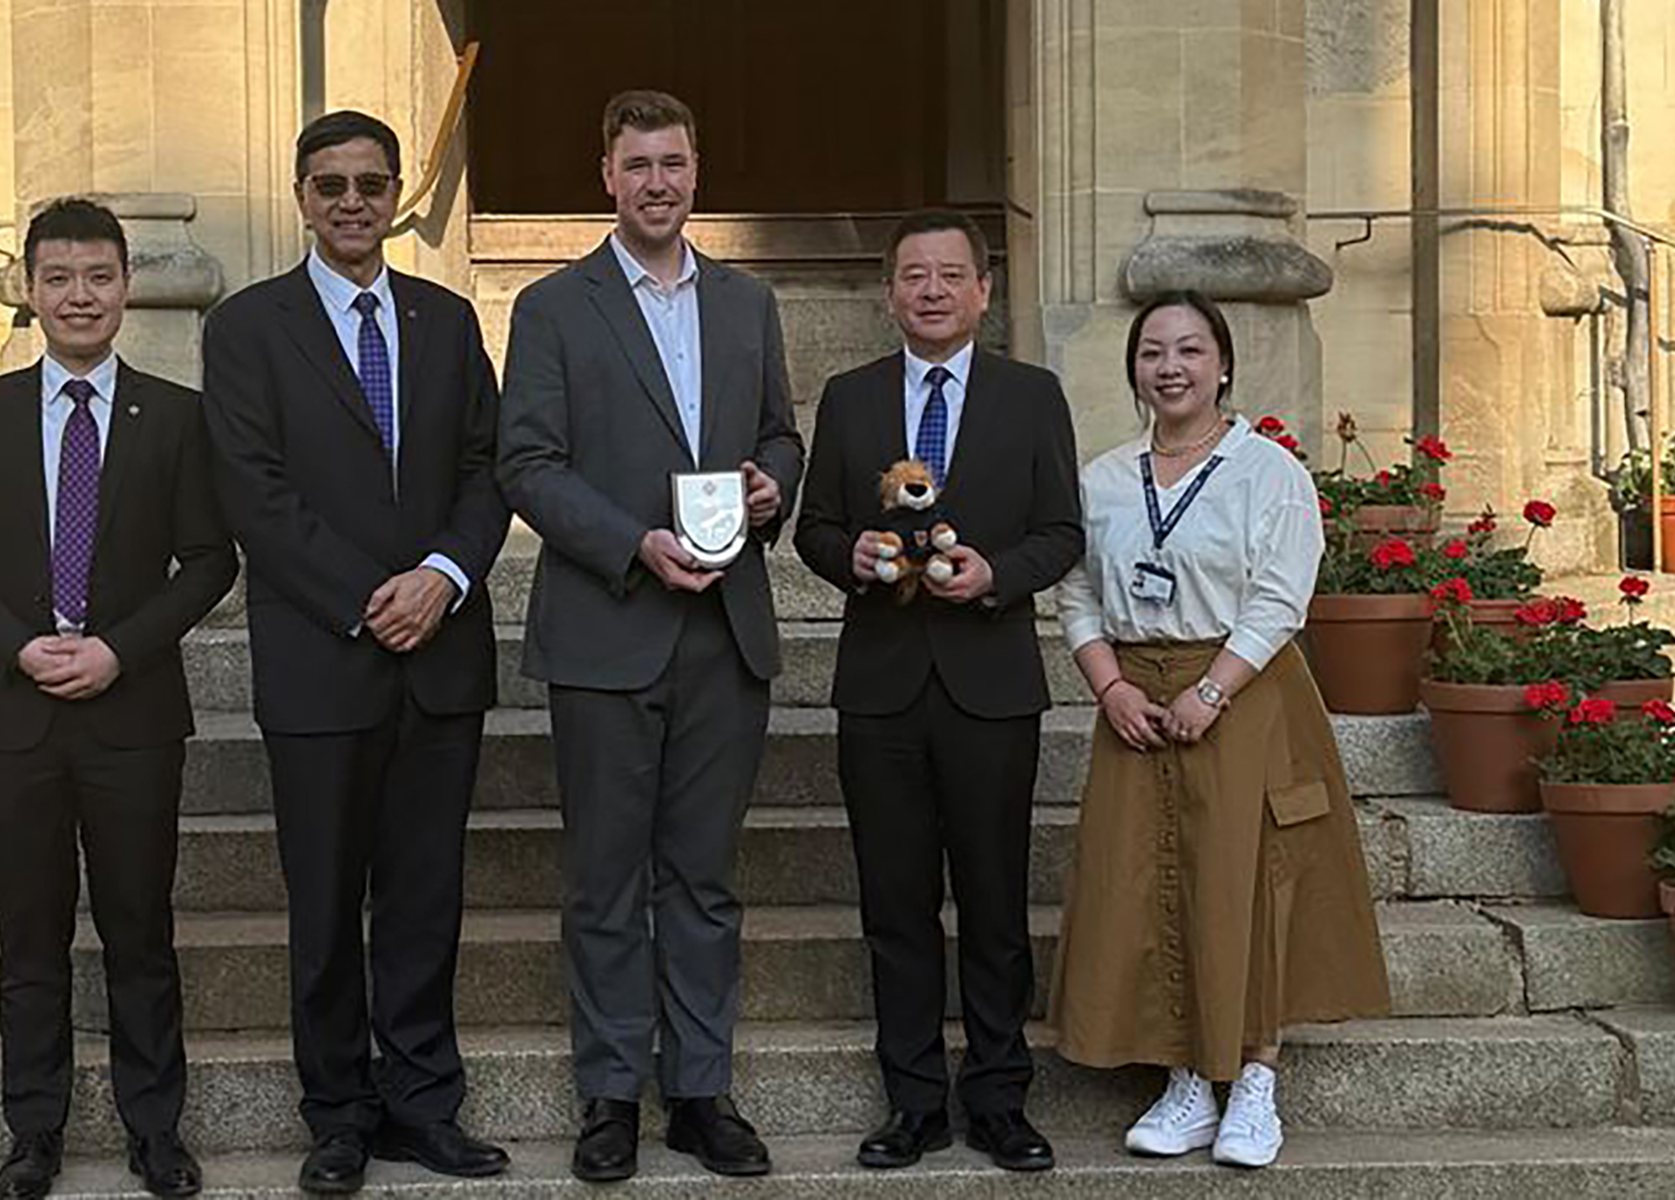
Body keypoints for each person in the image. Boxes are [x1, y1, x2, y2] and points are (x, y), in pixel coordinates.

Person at [199, 110, 512, 1196]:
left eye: (369, 184)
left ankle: (423, 1106)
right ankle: (336, 1113)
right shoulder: (246, 328)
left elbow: (487, 469)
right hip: (321, 661)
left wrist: (443, 578)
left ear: (394, 196)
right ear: (299, 196)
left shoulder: (445, 317)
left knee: (425, 896)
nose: (350, 202)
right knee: (326, 905)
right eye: (328, 184)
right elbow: (254, 492)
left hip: (440, 654)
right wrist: (366, 598)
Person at [496, 88, 804, 1183]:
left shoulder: (745, 301)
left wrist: (775, 483)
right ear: (607, 178)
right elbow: (525, 463)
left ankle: (700, 1092)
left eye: (673, 163)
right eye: (638, 166)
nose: (658, 183)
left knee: (706, 877)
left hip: (724, 629)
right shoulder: (551, 308)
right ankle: (610, 1094)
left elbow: (777, 428)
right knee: (604, 878)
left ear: (695, 172)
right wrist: (633, 542)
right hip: (608, 625)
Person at [0, 197, 237, 1200]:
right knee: (29, 933)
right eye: (58, 277)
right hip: (16, 719)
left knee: (139, 928)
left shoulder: (177, 415)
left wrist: (117, 652)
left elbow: (206, 561)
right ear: (28, 290)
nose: (79, 295)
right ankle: (34, 1131)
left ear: (126, 287)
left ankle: (154, 1129)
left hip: (131, 716)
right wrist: (20, 649)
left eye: (98, 276)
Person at [1048, 290, 1390, 1169]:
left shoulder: (1265, 470)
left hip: (1242, 692)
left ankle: (1256, 1079)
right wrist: (1110, 686)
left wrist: (1214, 689)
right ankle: (1187, 1076)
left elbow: (1281, 594)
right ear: (1133, 370)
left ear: (1224, 365)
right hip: (1137, 694)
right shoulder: (1106, 478)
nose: (1171, 367)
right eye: (1154, 351)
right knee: (1145, 876)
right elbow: (1077, 590)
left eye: (1191, 350)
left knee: (1250, 877)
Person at [793, 208, 1081, 1174]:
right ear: (889, 293)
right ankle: (913, 1101)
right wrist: (855, 556)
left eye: (950, 275)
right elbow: (815, 528)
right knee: (896, 903)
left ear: (984, 290)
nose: (931, 290)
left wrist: (995, 573)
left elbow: (1062, 531)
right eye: (913, 275)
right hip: (880, 688)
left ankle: (1000, 1098)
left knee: (996, 903)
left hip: (991, 683)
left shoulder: (1032, 395)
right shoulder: (849, 397)